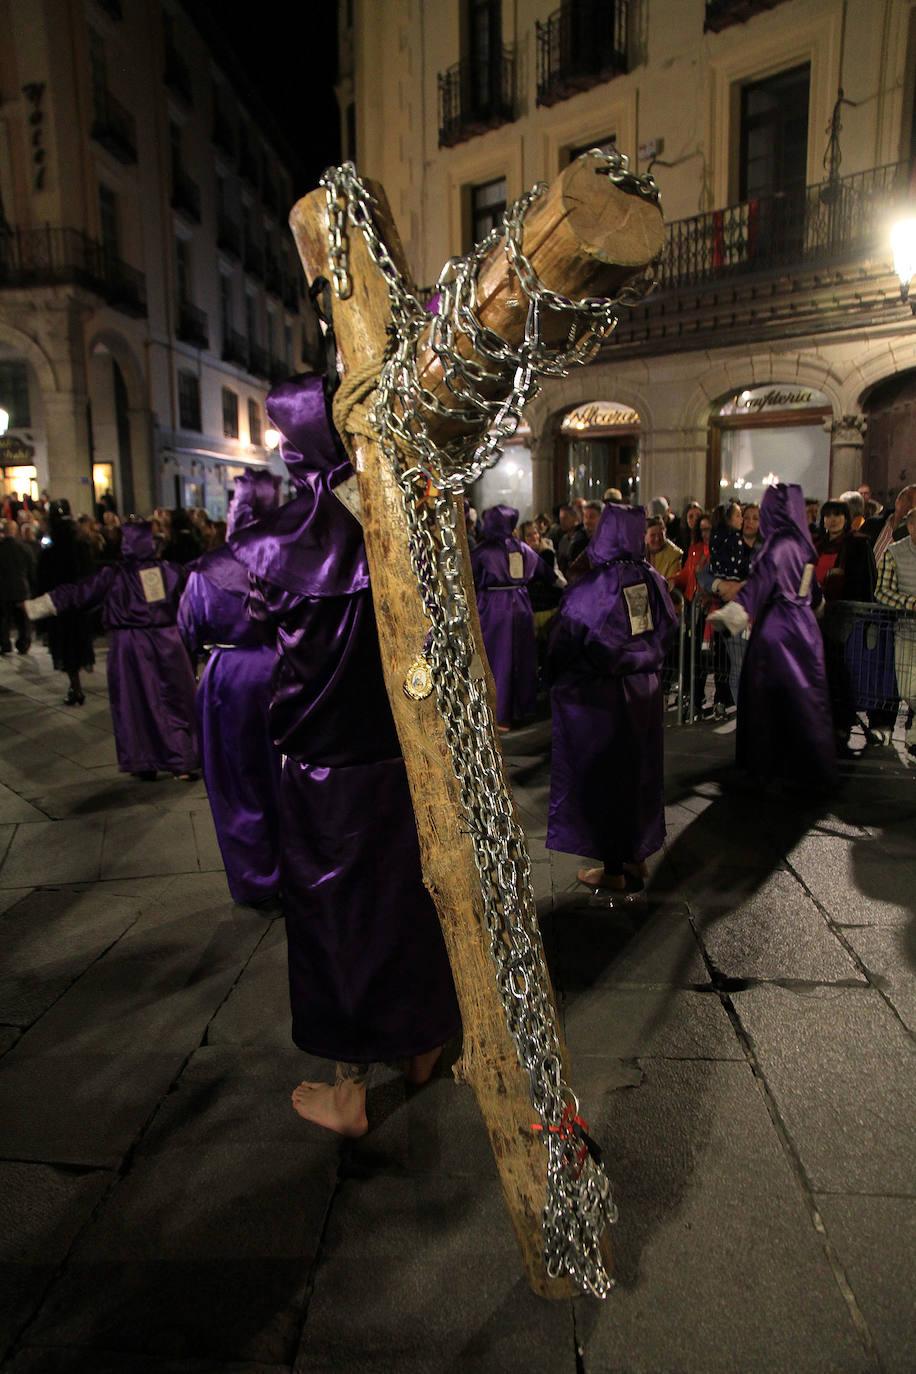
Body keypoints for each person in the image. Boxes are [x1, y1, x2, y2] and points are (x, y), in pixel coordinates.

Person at [229, 373, 460, 1137]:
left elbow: (260, 624)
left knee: (336, 922)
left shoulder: (276, 543)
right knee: (406, 905)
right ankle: (422, 1041)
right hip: (400, 758)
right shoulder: (402, 525)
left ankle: (351, 1088)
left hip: (322, 770)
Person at [547, 503, 677, 892]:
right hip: (645, 689)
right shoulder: (650, 577)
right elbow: (669, 625)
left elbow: (567, 634)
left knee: (606, 778)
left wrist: (554, 673)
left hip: (602, 695)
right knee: (641, 771)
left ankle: (614, 869)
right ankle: (637, 857)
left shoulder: (597, 584)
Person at [178, 471, 282, 907]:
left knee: (236, 781)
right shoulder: (293, 561)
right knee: (286, 777)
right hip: (284, 672)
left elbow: (187, 628)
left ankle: (258, 879)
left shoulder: (206, 570)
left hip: (227, 680)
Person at [25, 521, 199, 778]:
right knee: (174, 700)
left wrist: (38, 606)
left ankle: (144, 761)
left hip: (129, 648)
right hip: (167, 642)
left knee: (134, 702)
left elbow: (80, 593)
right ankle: (181, 760)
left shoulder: (115, 575)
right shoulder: (170, 572)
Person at [709, 482, 838, 791]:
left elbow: (761, 581)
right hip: (805, 626)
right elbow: (811, 590)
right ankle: (809, 765)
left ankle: (769, 766)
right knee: (805, 696)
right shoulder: (805, 544)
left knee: (766, 696)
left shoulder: (777, 544)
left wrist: (732, 615)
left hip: (777, 627)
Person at [470, 504, 556, 730]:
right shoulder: (522, 549)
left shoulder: (483, 551)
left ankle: (500, 713)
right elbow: (547, 574)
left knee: (499, 658)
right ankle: (522, 707)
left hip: (493, 609)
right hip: (521, 605)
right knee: (522, 657)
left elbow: (468, 577)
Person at [35, 500, 96, 704]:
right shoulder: (80, 543)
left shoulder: (51, 547)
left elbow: (42, 577)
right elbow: (89, 574)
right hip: (78, 603)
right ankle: (76, 684)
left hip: (59, 603)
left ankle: (75, 686)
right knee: (78, 642)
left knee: (65, 644)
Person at [875, 506, 916, 758]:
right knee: (908, 690)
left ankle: (914, 739)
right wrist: (911, 603)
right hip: (906, 630)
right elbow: (881, 591)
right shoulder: (894, 552)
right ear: (910, 527)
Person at [0, 521, 32, 656]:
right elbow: (31, 567)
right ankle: (23, 644)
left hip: (3, 589)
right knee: (23, 620)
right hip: (21, 589)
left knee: (3, 619)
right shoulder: (24, 548)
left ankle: (4, 643)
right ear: (15, 531)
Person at [862, 484, 916, 559]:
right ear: (897, 501)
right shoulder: (871, 524)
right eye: (908, 500)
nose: (910, 508)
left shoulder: (912, 538)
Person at [645, 514, 682, 584]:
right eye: (653, 535)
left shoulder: (674, 555)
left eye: (660, 534)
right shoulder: (638, 553)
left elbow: (671, 585)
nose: (657, 539)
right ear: (645, 537)